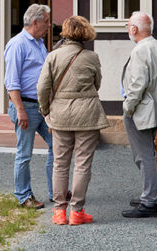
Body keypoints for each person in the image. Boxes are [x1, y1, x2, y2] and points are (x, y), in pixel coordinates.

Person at [37, 14, 108, 226]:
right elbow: (97, 84)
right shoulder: (92, 57)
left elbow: (42, 88)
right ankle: (77, 211)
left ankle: (59, 212)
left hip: (60, 114)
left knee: (60, 163)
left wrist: (45, 110)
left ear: (65, 31)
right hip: (87, 114)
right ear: (85, 33)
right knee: (83, 164)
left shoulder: (53, 56)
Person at [120, 10, 157, 218]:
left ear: (134, 29)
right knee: (148, 155)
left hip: (142, 111)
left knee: (144, 156)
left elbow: (137, 85)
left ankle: (149, 201)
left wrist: (128, 107)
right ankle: (149, 195)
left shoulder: (141, 50)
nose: (128, 31)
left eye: (128, 27)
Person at [3, 3, 54, 208]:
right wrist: (21, 111)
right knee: (24, 154)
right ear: (35, 22)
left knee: (57, 145)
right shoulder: (18, 44)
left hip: (41, 108)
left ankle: (56, 191)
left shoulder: (39, 43)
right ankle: (24, 197)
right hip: (25, 106)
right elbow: (12, 83)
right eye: (47, 22)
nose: (50, 25)